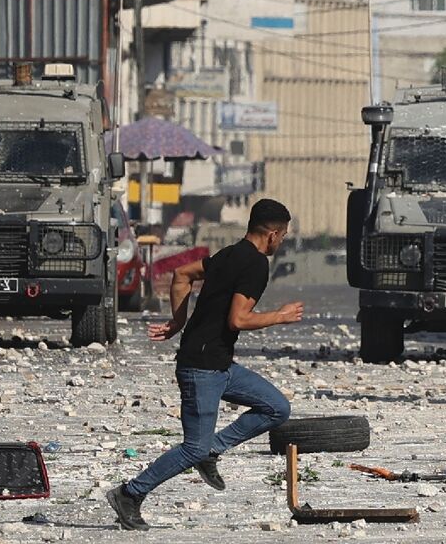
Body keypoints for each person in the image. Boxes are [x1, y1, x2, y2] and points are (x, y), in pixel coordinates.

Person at [106, 198, 304, 531]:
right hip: (202, 369)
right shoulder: (256, 265)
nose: (281, 242)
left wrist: (177, 321)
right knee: (192, 448)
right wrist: (279, 317)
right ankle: (130, 493)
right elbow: (238, 319)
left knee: (276, 408)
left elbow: (182, 274)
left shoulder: (229, 253)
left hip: (220, 366)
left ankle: (213, 450)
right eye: (282, 236)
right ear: (272, 234)